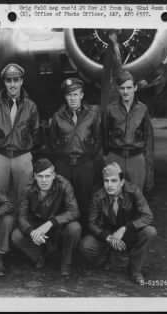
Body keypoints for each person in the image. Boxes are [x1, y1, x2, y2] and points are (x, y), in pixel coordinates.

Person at [79, 162, 157, 283]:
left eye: (114, 181)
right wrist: (108, 237)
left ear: (122, 182)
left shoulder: (133, 191)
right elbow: (91, 223)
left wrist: (125, 228)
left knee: (150, 231)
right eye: (106, 181)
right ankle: (105, 258)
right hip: (107, 234)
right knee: (86, 245)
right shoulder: (98, 196)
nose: (109, 185)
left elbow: (148, 216)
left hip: (128, 233)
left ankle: (135, 270)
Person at [12, 158, 81, 276]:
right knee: (16, 236)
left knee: (75, 228)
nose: (44, 180)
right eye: (40, 176)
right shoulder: (28, 188)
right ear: (35, 176)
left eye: (47, 176)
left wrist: (50, 223)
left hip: (58, 227)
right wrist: (31, 231)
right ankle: (39, 256)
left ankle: (66, 262)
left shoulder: (64, 185)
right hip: (37, 227)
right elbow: (21, 217)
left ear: (54, 175)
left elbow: (74, 211)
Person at [0, 63, 39, 208]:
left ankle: (22, 228)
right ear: (4, 82)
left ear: (21, 81)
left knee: (25, 197)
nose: (12, 84)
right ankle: (2, 227)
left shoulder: (31, 106)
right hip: (0, 156)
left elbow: (36, 131)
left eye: (16, 80)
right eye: (9, 81)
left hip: (22, 156)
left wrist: (25, 148)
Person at [50, 78, 101, 227]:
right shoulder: (57, 116)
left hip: (84, 165)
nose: (72, 98)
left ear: (82, 95)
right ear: (65, 97)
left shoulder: (92, 115)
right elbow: (52, 142)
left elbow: (98, 140)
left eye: (75, 94)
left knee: (84, 201)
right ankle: (65, 234)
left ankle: (84, 233)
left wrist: (88, 156)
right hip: (63, 165)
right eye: (69, 95)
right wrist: (61, 157)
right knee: (62, 201)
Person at [101, 70, 152, 191]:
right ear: (118, 89)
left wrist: (145, 158)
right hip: (115, 157)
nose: (125, 91)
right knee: (113, 195)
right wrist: (107, 155)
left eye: (129, 87)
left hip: (136, 158)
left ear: (135, 88)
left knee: (136, 195)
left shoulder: (143, 109)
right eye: (122, 88)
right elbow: (104, 134)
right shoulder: (110, 109)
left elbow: (147, 136)